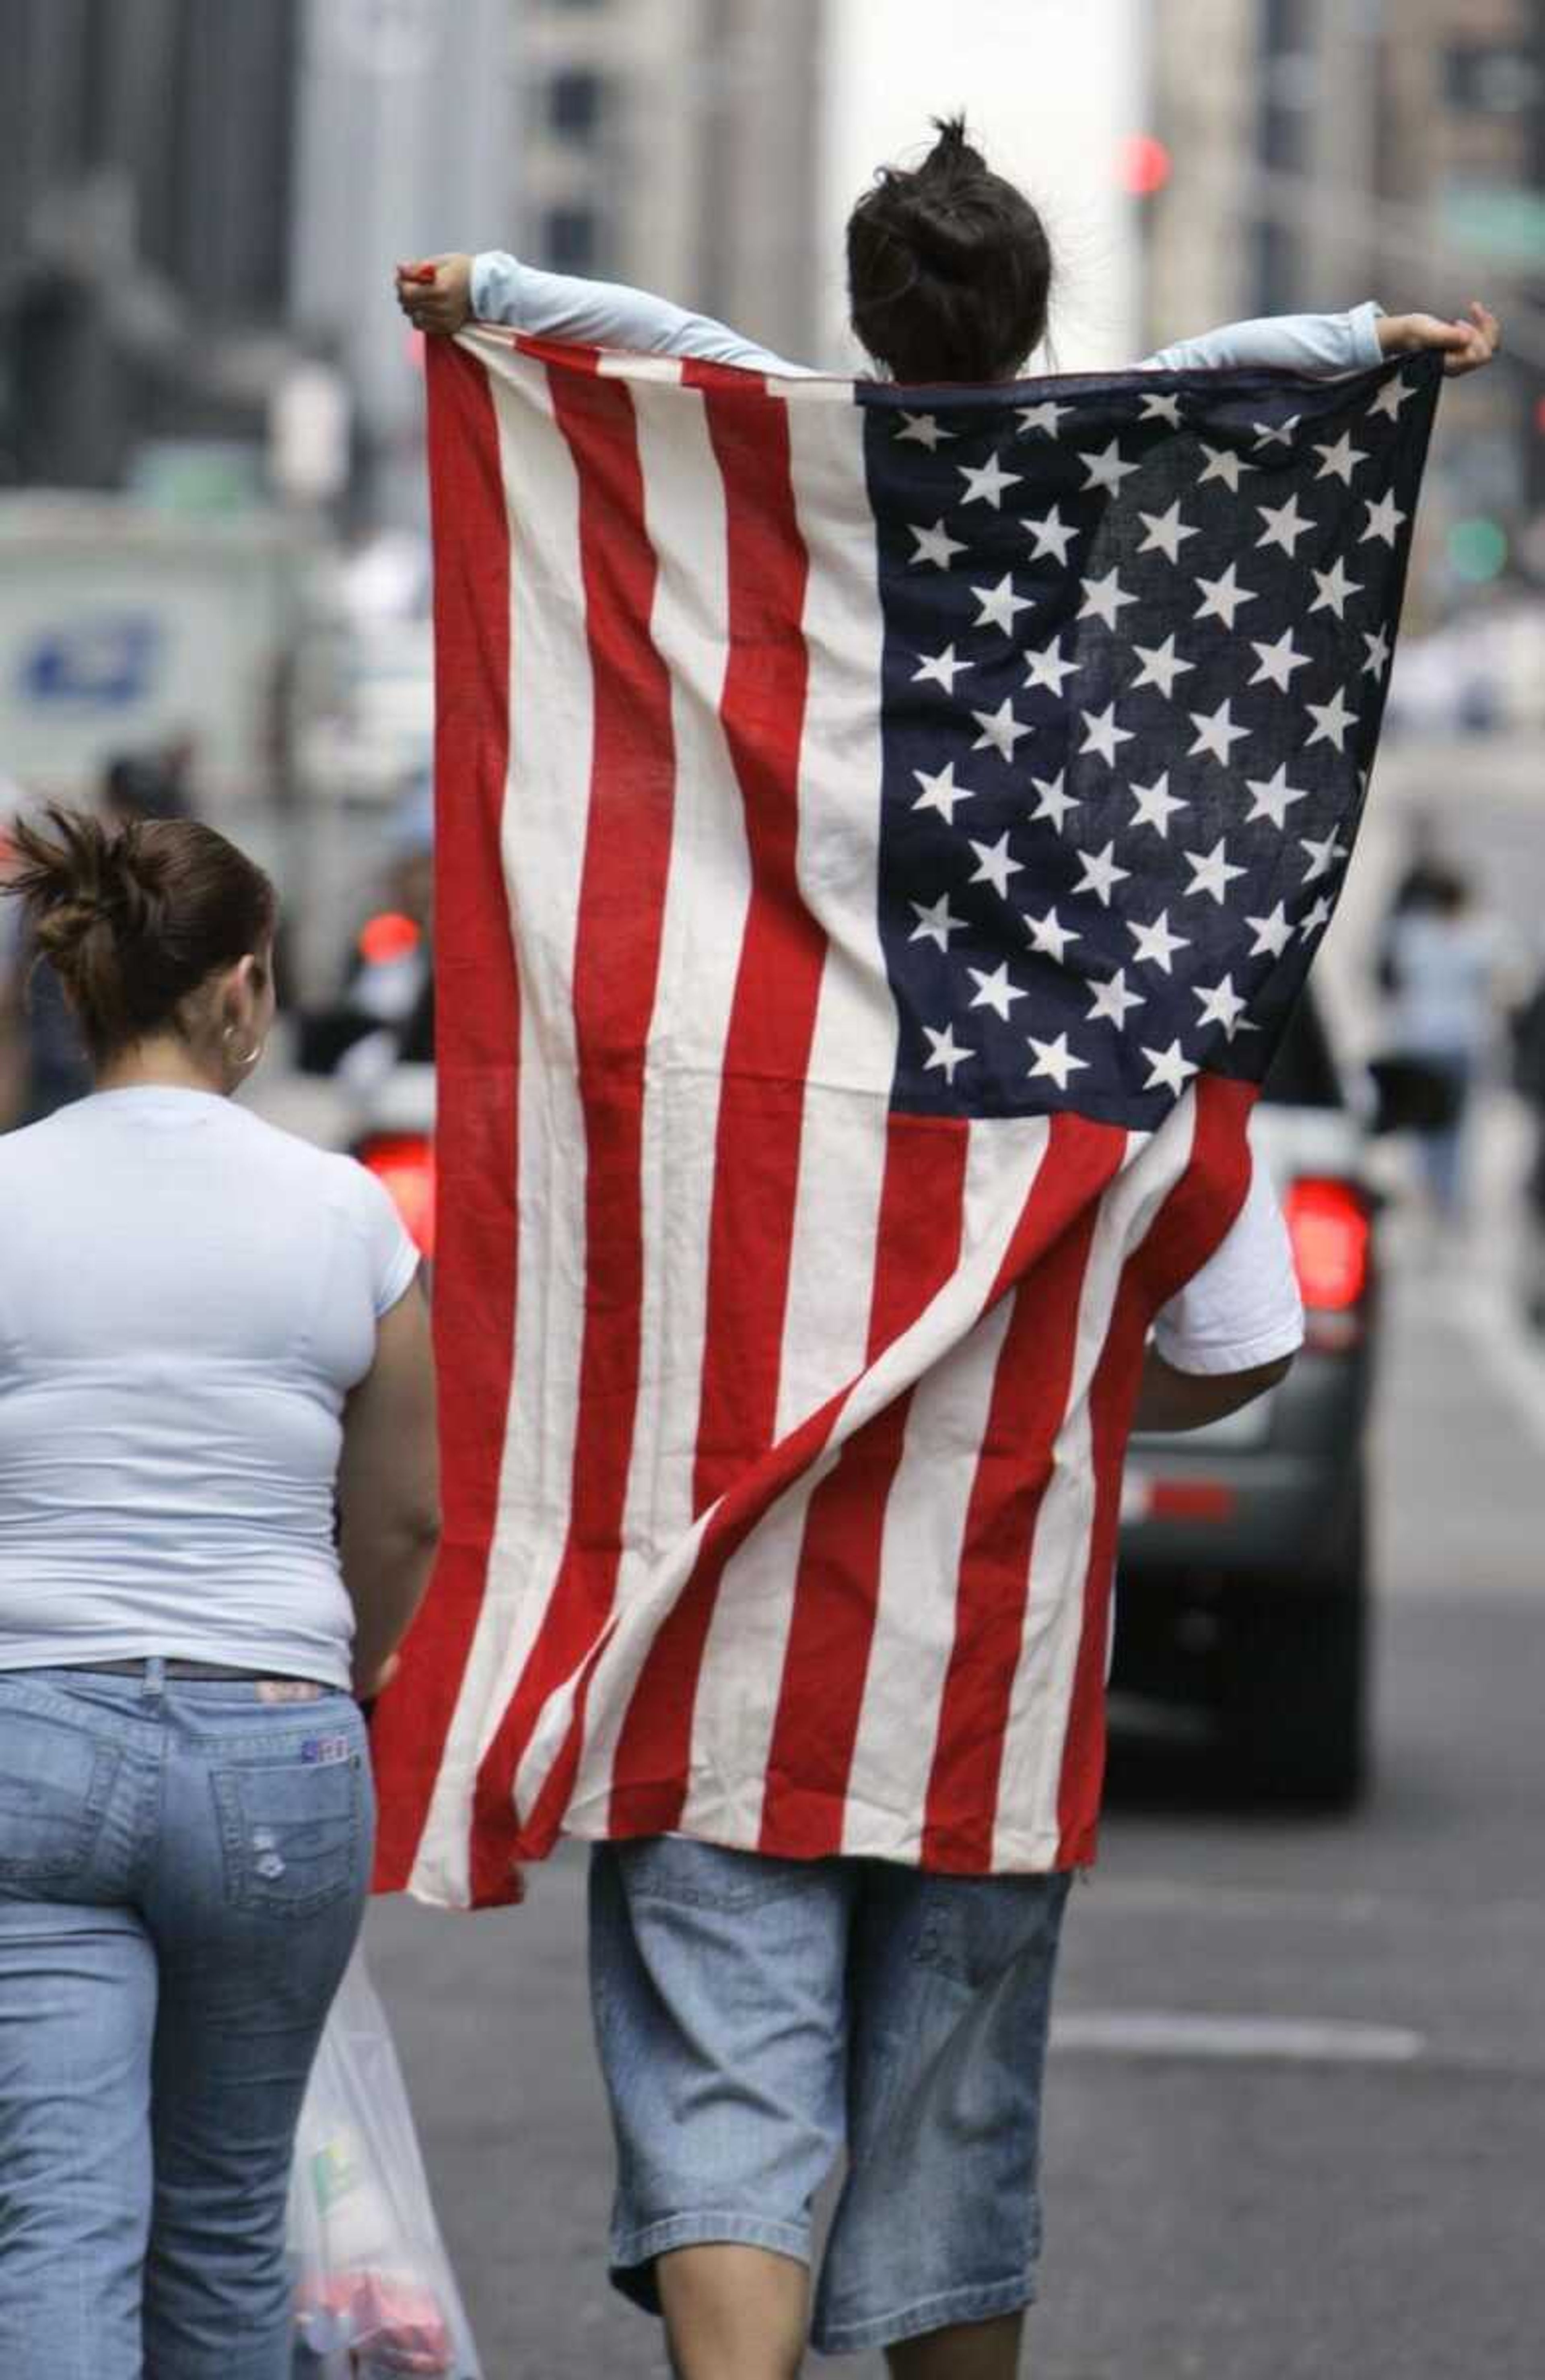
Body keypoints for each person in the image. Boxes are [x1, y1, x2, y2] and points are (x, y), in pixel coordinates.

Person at [395, 119, 1500, 2380]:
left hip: (714, 1626)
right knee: (948, 2130)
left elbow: (673, 351)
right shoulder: (1127, 1071)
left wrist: (505, 298)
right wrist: (1347, 351)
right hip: (986, 1657)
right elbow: (1210, 401)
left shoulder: (699, 1039)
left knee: (727, 2094)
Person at [0, 805, 440, 2380]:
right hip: (277, 1740)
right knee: (229, 2211)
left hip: (27, 1727)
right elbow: (403, 1509)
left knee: (56, 2209)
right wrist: (348, 1662)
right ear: (245, 984)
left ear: (80, 988)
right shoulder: (346, 1213)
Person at [1384, 859, 1510, 1226]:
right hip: (1461, 1041)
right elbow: (1503, 982)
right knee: (1454, 1125)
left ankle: (1427, 1188)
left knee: (1424, 1118)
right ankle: (1448, 1196)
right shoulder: (1480, 936)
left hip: (1421, 1037)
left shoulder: (1413, 934)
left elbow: (1394, 976)